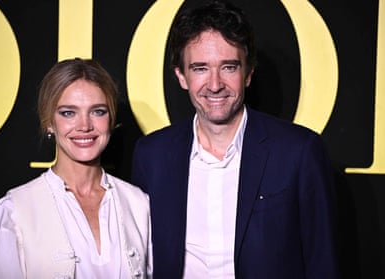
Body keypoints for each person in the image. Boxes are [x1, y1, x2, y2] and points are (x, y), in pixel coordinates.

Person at [131, 0, 339, 278]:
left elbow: (322, 263)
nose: (215, 84)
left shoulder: (298, 152)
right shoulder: (152, 155)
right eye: (200, 68)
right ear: (181, 76)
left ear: (248, 73)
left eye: (228, 67)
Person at [0, 58, 152, 278]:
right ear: (49, 121)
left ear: (111, 119)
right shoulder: (14, 212)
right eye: (68, 113)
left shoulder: (138, 205)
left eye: (98, 111)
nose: (85, 126)